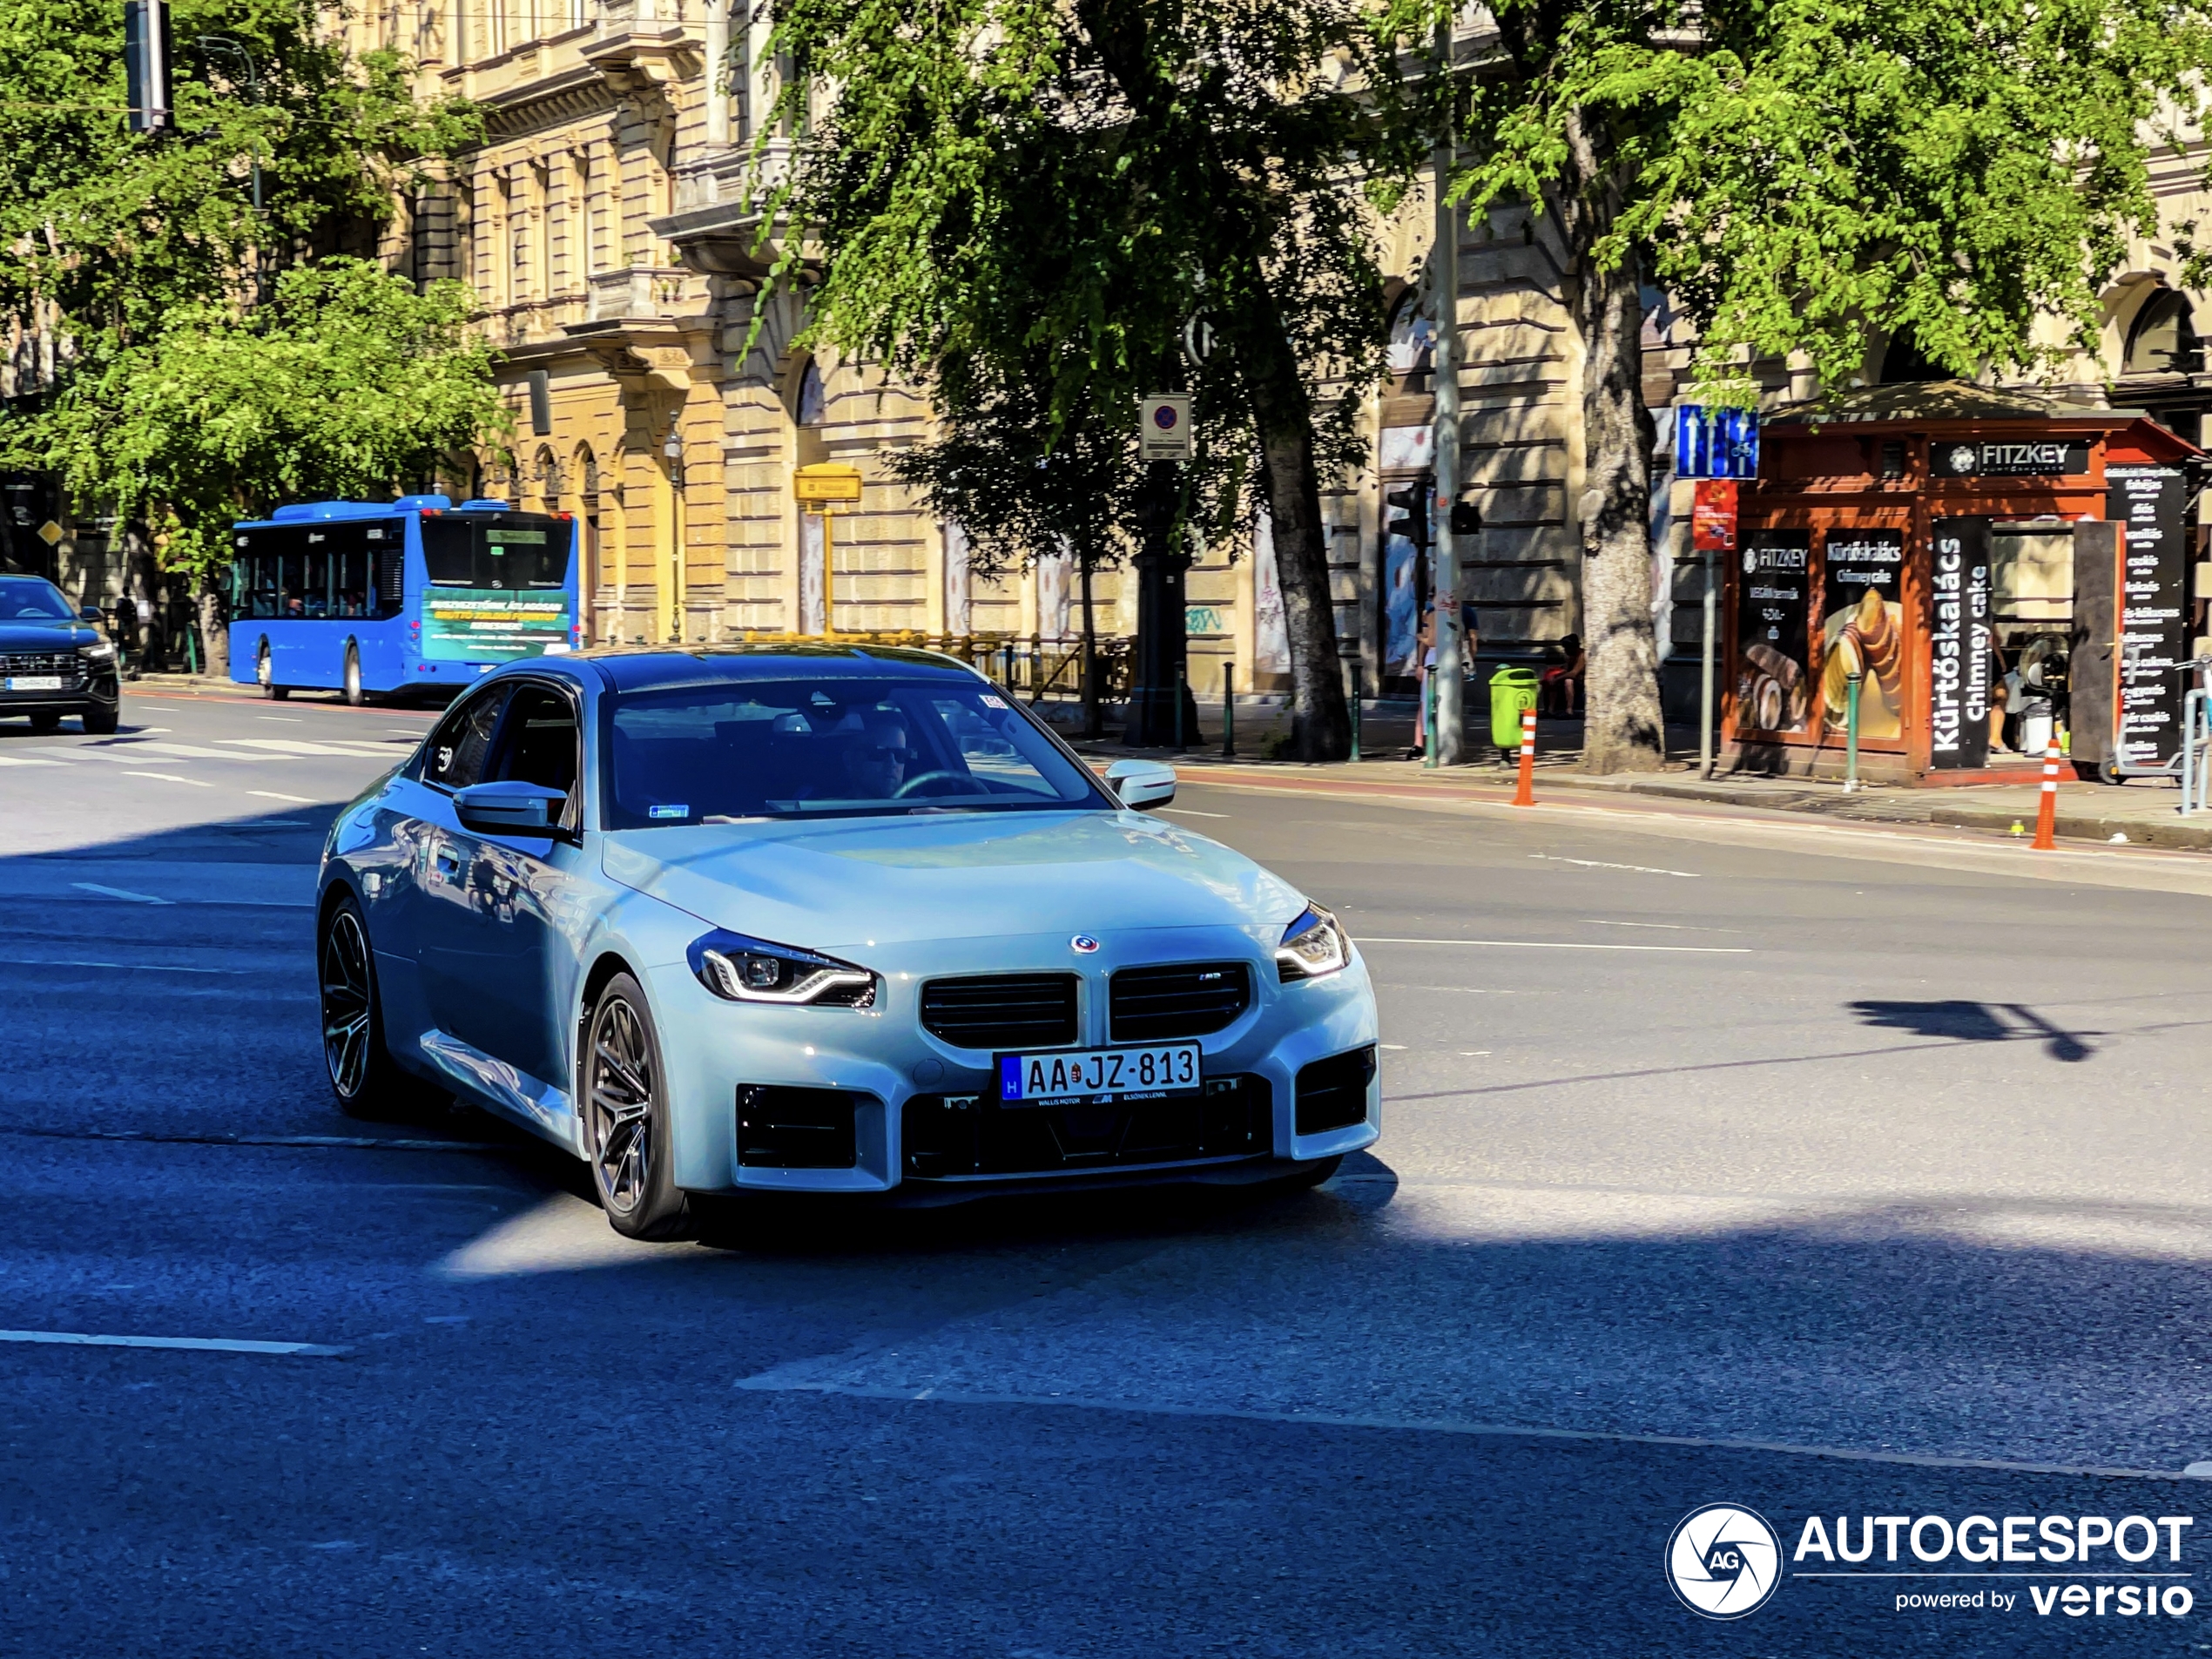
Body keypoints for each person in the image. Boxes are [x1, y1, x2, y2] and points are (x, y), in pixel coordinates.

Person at [1541, 631, 1585, 717]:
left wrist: (1557, 678)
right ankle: (1550, 710)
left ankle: (1569, 710)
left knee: (1568, 681)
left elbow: (1573, 673)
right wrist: (1554, 677)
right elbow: (1566, 670)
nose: (1565, 650)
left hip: (1581, 682)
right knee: (1552, 679)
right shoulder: (1570, 657)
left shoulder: (1582, 655)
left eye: (1567, 648)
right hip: (1573, 681)